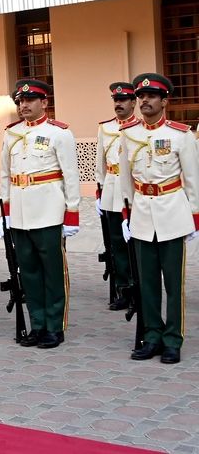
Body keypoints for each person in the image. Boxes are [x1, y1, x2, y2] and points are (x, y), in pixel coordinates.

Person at [120, 73, 199, 364]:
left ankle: (172, 339)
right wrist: (126, 216)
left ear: (164, 100)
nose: (145, 101)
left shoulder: (181, 135)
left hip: (173, 214)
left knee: (173, 284)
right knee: (147, 282)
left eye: (151, 96)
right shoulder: (129, 134)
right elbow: (125, 180)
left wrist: (195, 221)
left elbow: (193, 180)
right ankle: (151, 336)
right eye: (141, 96)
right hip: (142, 214)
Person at [0, 79, 80, 349]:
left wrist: (72, 214)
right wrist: (6, 213)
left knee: (53, 272)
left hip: (49, 211)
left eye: (30, 100)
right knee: (29, 272)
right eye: (20, 101)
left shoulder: (59, 133)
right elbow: (5, 176)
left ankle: (55, 327)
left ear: (44, 102)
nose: (24, 105)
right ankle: (37, 324)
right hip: (21, 213)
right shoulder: (11, 134)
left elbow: (70, 176)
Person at [95, 82, 138, 311]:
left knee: (136, 242)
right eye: (116, 100)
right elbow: (100, 163)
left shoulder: (141, 128)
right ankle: (123, 288)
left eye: (123, 100)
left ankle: (138, 286)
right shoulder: (105, 128)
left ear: (133, 102)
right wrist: (99, 193)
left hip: (135, 192)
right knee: (116, 243)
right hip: (112, 190)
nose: (118, 104)